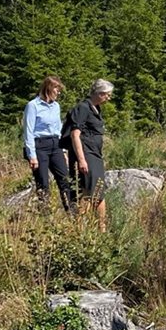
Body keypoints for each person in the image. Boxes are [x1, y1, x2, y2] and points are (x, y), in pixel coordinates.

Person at [64, 79, 113, 231]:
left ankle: (89, 227)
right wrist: (82, 160)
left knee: (92, 190)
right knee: (93, 192)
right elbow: (75, 134)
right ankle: (92, 227)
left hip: (94, 155)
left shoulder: (96, 108)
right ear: (99, 93)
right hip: (86, 155)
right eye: (107, 95)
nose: (108, 98)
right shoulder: (83, 108)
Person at [24, 76, 76, 212]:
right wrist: (32, 155)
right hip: (40, 145)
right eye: (57, 89)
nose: (58, 93)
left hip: (55, 144)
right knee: (43, 182)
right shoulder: (33, 106)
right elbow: (28, 131)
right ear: (49, 89)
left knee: (64, 180)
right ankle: (45, 215)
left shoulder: (56, 106)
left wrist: (63, 151)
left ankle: (71, 212)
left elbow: (58, 128)